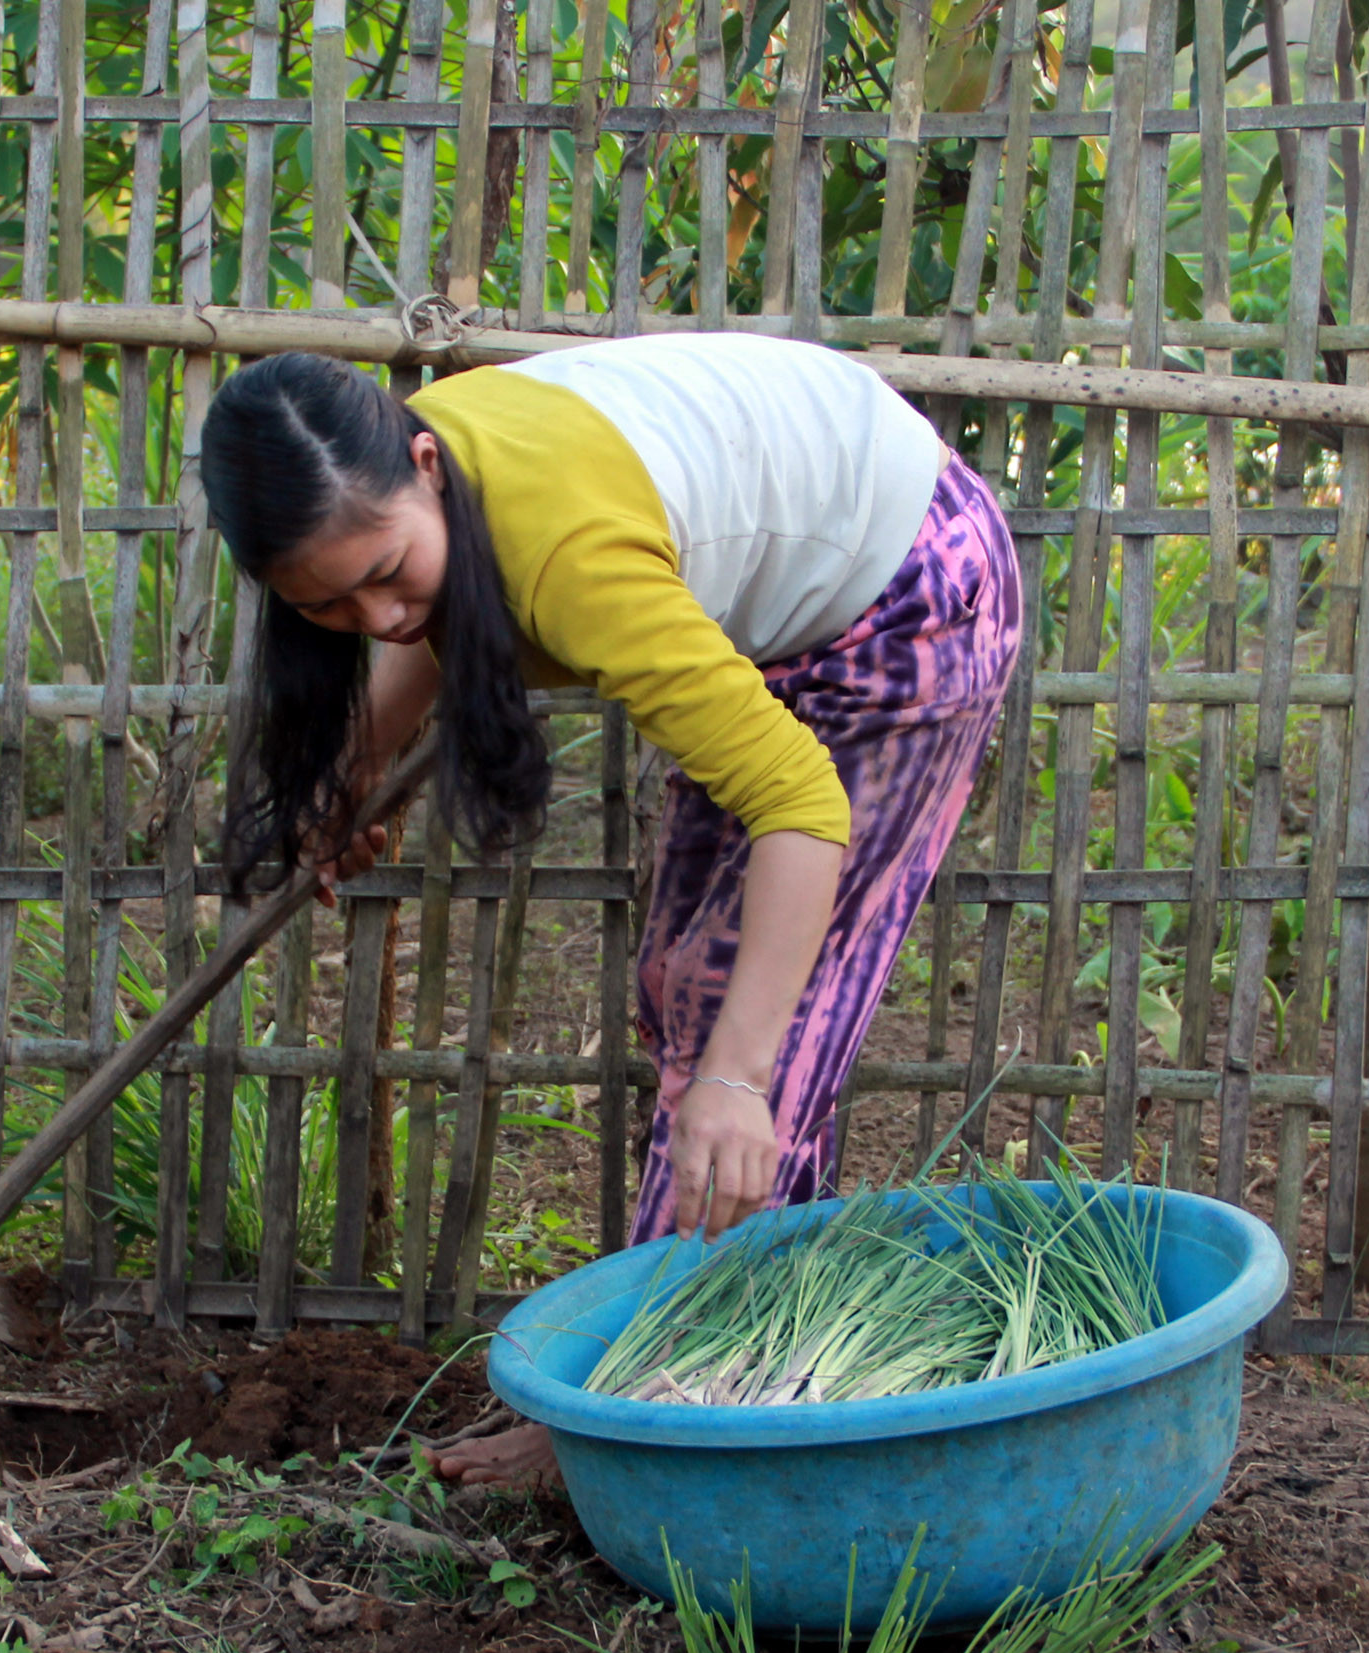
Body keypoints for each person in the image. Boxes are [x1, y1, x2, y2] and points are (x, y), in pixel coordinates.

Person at [199, 333, 1022, 1487]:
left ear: (427, 463)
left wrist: (737, 1080)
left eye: (388, 572)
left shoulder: (568, 557)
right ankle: (760, 1355)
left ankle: (653, 1423)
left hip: (907, 591)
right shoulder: (402, 472)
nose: (381, 621)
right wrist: (341, 787)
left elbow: (800, 802)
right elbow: (425, 624)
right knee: (688, 984)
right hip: (799, 581)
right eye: (328, 607)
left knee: (753, 1043)